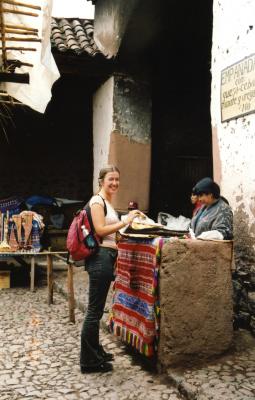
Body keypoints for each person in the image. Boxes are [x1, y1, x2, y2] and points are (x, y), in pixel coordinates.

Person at [80, 165, 141, 373]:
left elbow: (111, 233)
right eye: (110, 180)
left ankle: (96, 351)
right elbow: (100, 230)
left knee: (96, 310)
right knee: (94, 311)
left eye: (117, 179)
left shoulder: (107, 202)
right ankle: (89, 361)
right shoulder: (97, 201)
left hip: (106, 256)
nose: (114, 183)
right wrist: (125, 220)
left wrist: (130, 224)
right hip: (100, 258)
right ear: (101, 181)